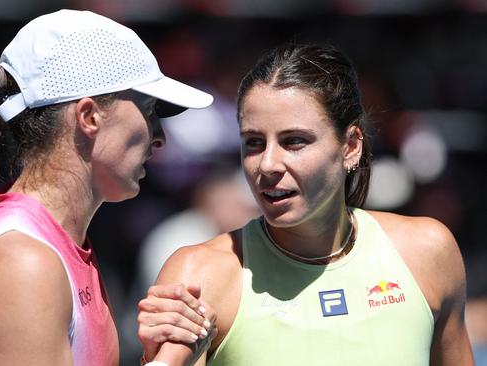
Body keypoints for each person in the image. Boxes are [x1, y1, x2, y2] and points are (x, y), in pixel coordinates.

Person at [0, 9, 217, 366]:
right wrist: (172, 359)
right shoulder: (22, 262)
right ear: (89, 117)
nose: (160, 136)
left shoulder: (23, 244)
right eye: (149, 110)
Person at [137, 43, 475, 365]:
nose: (267, 164)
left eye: (294, 141)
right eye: (253, 143)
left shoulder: (428, 252)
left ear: (351, 147)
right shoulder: (200, 275)